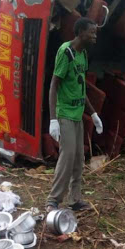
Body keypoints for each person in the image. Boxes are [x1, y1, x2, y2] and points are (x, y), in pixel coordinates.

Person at [46, 17, 103, 213]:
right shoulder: (66, 52)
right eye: (92, 32)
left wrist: (93, 113)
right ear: (80, 33)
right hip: (65, 113)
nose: (95, 36)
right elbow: (54, 85)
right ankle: (53, 200)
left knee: (79, 157)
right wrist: (53, 118)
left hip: (78, 114)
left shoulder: (83, 55)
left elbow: (81, 86)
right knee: (68, 155)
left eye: (95, 32)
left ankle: (75, 199)